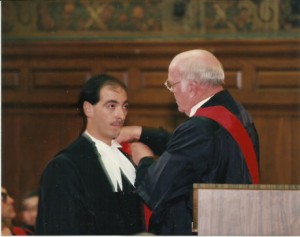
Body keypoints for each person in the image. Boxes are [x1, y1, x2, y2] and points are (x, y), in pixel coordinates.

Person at [116, 49, 260, 235]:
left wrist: (144, 159)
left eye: (172, 84)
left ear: (191, 88)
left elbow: (156, 189)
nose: (171, 91)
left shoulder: (199, 128)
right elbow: (196, 150)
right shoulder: (236, 113)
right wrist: (141, 132)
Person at [36, 74, 145, 235]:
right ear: (88, 108)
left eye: (124, 106)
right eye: (111, 106)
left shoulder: (127, 161)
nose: (121, 115)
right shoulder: (65, 166)